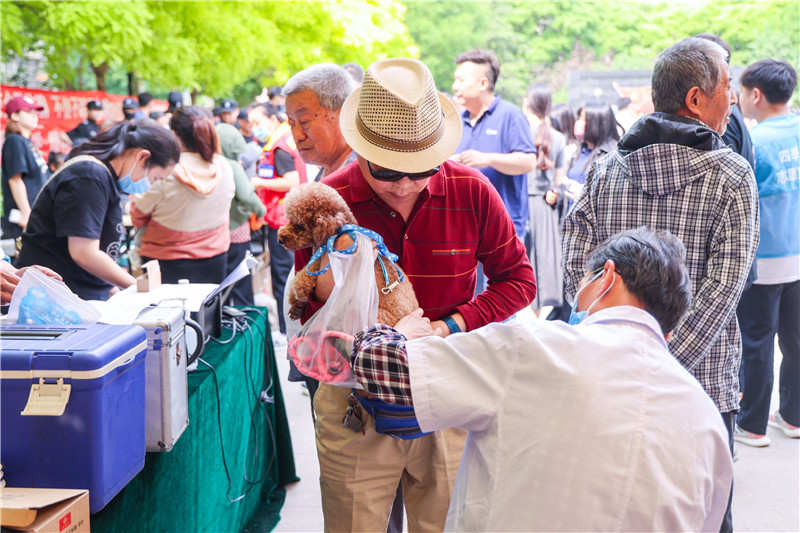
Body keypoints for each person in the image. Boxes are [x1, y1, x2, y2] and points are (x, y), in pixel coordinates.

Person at [351, 227, 733, 532]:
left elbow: (384, 370)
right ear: (668, 328)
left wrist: (404, 331)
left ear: (606, 277)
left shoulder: (533, 347)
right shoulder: (706, 421)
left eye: (583, 280)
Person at [294, 57, 536, 532]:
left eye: (420, 168)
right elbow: (310, 305)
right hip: (354, 400)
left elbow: (518, 281)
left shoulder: (473, 191)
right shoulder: (329, 203)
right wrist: (374, 337)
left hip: (448, 388)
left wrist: (449, 326)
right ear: (361, 150)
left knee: (447, 523)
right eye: (388, 170)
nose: (404, 184)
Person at [562, 37, 758, 533]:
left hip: (605, 380)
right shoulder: (732, 176)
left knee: (611, 509)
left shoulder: (605, 171)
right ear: (696, 99)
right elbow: (724, 289)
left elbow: (576, 273)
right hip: (703, 384)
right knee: (706, 512)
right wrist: (661, 365)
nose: (733, 98)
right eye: (727, 87)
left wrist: (616, 353)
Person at [16, 122, 180, 300]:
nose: (150, 185)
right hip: (50, 301)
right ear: (142, 157)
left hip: (72, 298)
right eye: (155, 178)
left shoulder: (102, 177)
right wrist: (139, 288)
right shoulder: (90, 176)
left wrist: (111, 287)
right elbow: (84, 252)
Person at [733, 58, 800, 447]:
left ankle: (753, 424)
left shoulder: (755, 142)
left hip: (765, 261)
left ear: (755, 94)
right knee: (795, 342)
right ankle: (792, 417)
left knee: (756, 342)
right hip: (798, 257)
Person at [130, 106, 235, 284]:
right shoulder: (224, 166)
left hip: (166, 264)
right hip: (215, 258)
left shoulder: (164, 173)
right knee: (206, 310)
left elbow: (137, 216)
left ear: (174, 135)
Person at [451, 49, 536, 240]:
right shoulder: (456, 120)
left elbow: (529, 161)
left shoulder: (511, 116)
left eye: (461, 80)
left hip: (502, 229)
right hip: (461, 228)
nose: (455, 86)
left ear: (483, 83)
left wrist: (486, 159)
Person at [249, 102, 307, 340]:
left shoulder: (280, 146)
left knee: (283, 275)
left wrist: (259, 183)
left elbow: (291, 180)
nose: (254, 128)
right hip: (284, 217)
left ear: (272, 120)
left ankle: (286, 331)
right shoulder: (281, 141)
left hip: (283, 220)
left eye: (257, 122)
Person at [522, 83, 571, 316]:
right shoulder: (559, 139)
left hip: (520, 204)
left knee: (520, 263)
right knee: (542, 263)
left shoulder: (520, 131)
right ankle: (538, 317)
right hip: (545, 205)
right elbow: (558, 182)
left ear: (527, 104)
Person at [216, 122, 266, 306]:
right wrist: (261, 211)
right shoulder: (231, 165)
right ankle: (246, 328)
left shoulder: (210, 163)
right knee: (241, 282)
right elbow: (246, 195)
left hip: (214, 235)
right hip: (236, 231)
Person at [2, 97, 49, 242]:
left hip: (37, 218)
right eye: (29, 112)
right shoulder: (14, 141)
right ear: (15, 115)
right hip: (24, 223)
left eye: (35, 112)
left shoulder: (27, 142)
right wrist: (26, 213)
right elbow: (15, 179)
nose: (35, 115)